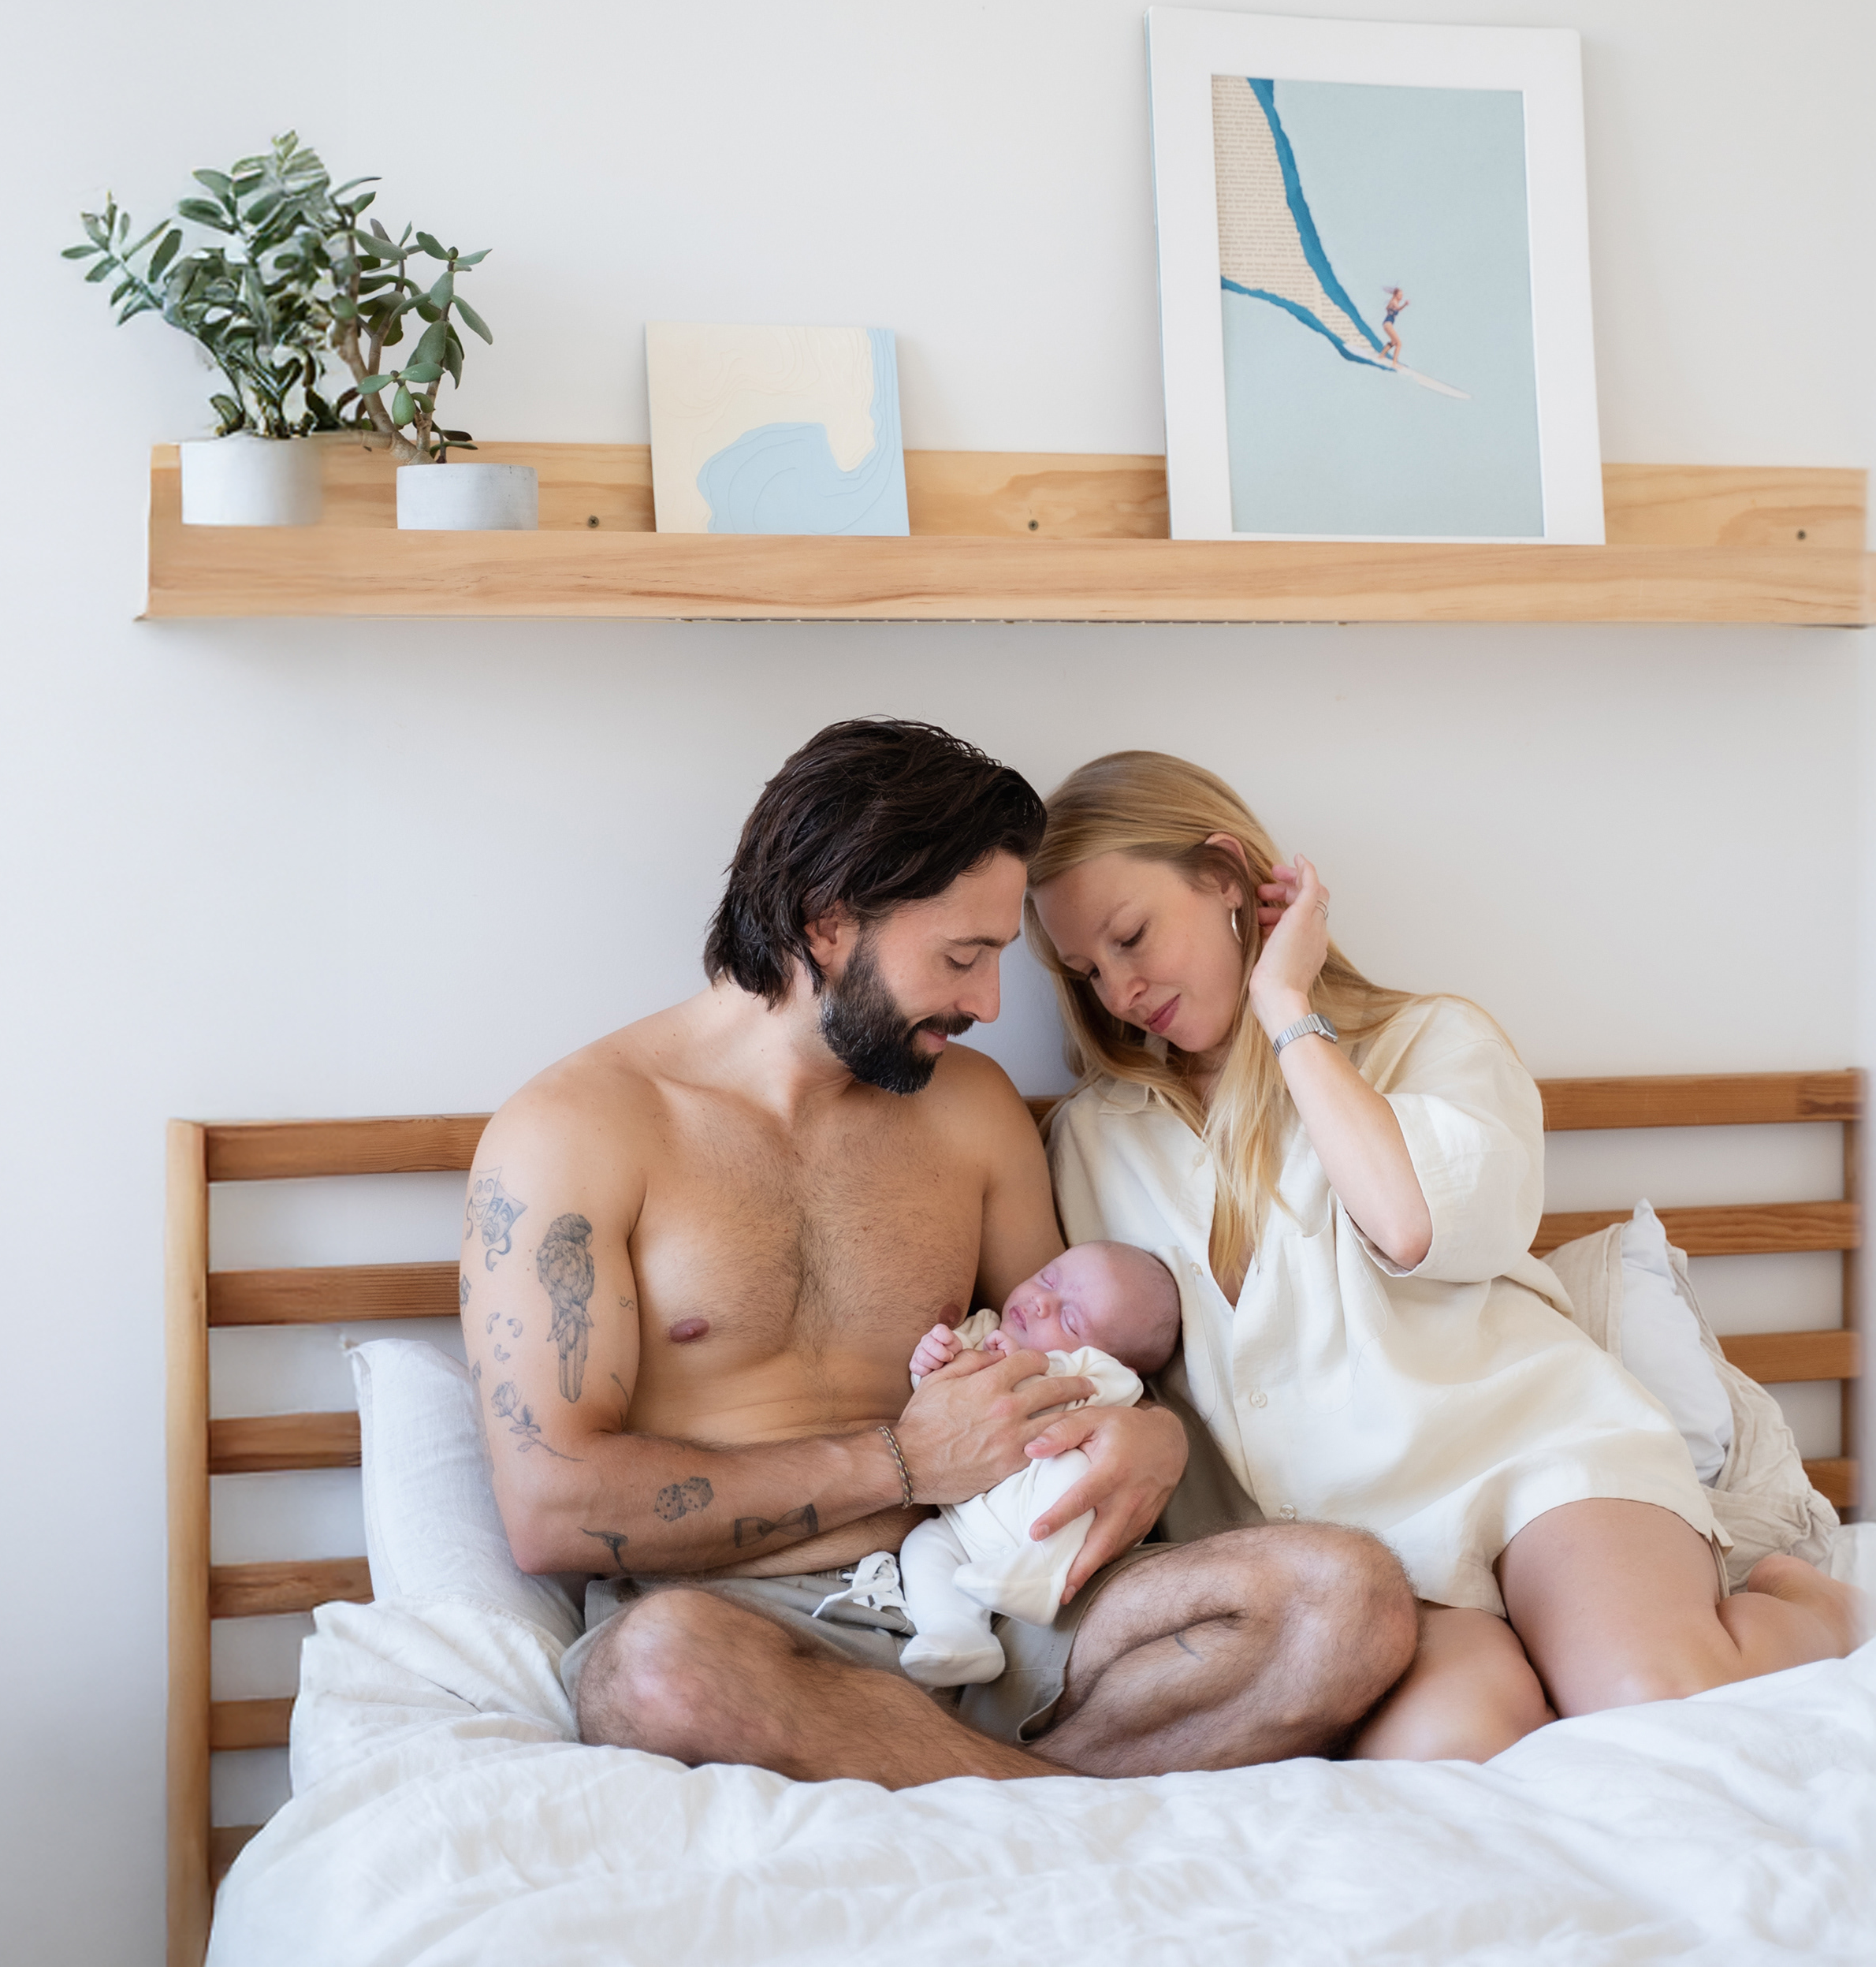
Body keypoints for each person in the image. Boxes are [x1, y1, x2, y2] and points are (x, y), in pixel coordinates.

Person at [457, 721, 1416, 1788]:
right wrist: (900, 1463)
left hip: (1011, 1589)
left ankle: (980, 1789)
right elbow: (551, 1507)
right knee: (650, 1676)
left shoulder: (971, 1111)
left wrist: (1151, 1439)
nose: (989, 1005)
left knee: (1351, 1598)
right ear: (826, 922)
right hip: (754, 1624)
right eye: (963, 957)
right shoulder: (575, 1134)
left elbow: (1072, 1355)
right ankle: (1060, 1795)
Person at [1026, 751, 1865, 1764]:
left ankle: (1802, 1604)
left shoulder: (1427, 1041)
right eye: (1086, 971)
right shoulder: (1095, 1139)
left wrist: (1285, 1003)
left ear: (1224, 876)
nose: (1120, 989)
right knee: (1450, 1754)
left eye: (1130, 936)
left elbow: (1411, 1223)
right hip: (1359, 1552)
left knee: (1650, 1702)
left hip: (1536, 1462)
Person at [895, 1241, 1182, 1688]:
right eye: (1048, 1278)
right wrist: (932, 1359)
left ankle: (1041, 1574)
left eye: (1070, 1320)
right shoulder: (982, 1328)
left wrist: (1026, 1364)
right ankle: (957, 1635)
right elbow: (930, 1402)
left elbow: (1104, 1391)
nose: (1042, 1302)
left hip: (1044, 1510)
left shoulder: (1102, 1372)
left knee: (1076, 1471)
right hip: (964, 1527)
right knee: (922, 1548)